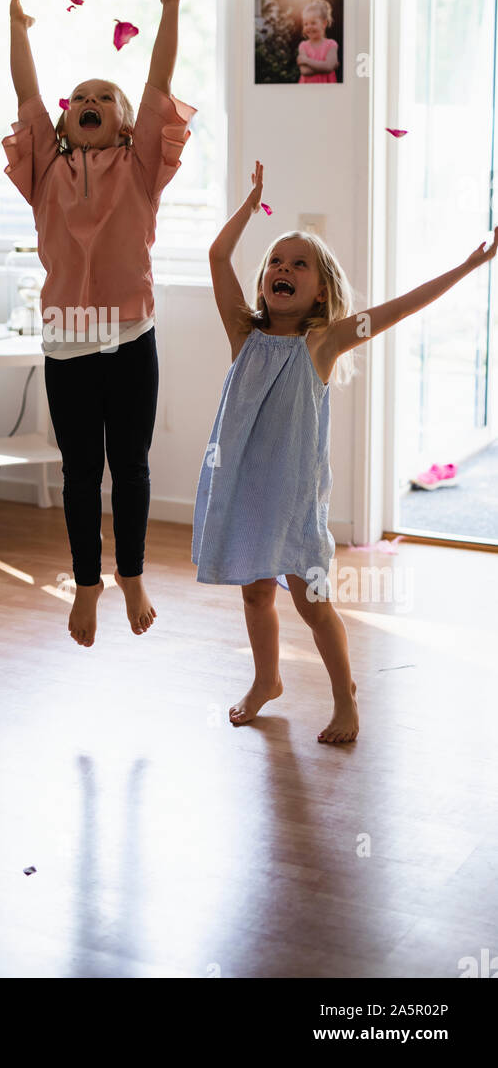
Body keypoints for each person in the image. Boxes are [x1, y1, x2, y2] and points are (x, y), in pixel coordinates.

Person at [194, 160, 497, 742]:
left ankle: (345, 697)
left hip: (295, 502)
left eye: (298, 264)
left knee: (313, 604)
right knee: (256, 594)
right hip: (247, 494)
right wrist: (252, 204)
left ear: (320, 290)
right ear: (264, 281)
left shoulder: (323, 343)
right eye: (275, 263)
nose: (282, 268)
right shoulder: (243, 333)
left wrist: (469, 265)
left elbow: (402, 308)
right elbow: (215, 257)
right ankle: (267, 681)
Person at [3, 0, 196, 647]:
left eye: (104, 98)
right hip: (66, 340)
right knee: (81, 470)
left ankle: (132, 574)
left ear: (122, 125)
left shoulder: (141, 166)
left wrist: (169, 8)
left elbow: (158, 84)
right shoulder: (44, 171)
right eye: (78, 96)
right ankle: (87, 583)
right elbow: (25, 91)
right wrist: (15, 29)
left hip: (129, 333)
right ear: (62, 120)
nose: (89, 100)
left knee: (132, 465)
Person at [297, 0, 338, 83]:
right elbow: (304, 71)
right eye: (306, 24)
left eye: (313, 23)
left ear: (324, 24)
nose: (309, 27)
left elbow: (329, 67)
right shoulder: (303, 45)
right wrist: (325, 66)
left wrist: (306, 60)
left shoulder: (331, 44)